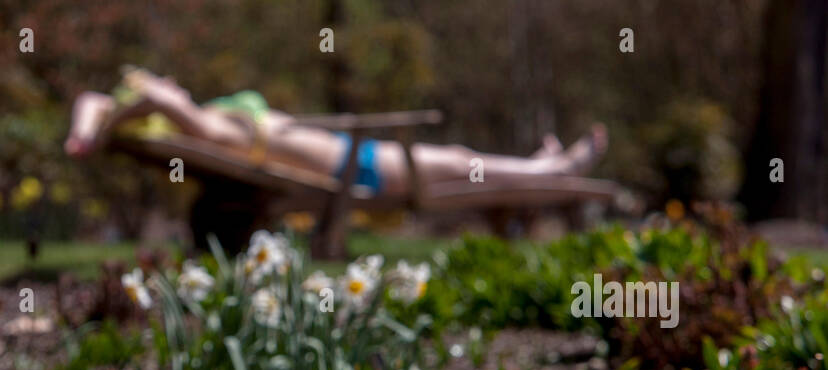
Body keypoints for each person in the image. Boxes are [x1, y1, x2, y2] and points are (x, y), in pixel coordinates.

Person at [65, 67, 609, 200]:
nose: (172, 82)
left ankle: (545, 165)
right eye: (163, 84)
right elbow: (153, 97)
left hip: (353, 156)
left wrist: (90, 131)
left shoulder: (206, 119)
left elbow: (89, 101)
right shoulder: (201, 124)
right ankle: (552, 170)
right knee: (463, 164)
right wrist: (113, 121)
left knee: (463, 161)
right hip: (355, 168)